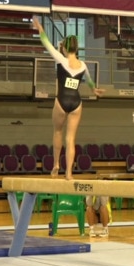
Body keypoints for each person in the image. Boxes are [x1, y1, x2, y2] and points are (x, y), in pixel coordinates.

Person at [32, 16, 104, 180]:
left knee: (57, 132)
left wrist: (40, 29)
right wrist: (95, 91)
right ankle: (69, 173)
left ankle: (56, 165)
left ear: (64, 48)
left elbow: (46, 43)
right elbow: (91, 83)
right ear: (77, 49)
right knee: (70, 139)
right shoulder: (83, 65)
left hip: (62, 101)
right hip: (76, 103)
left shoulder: (61, 60)